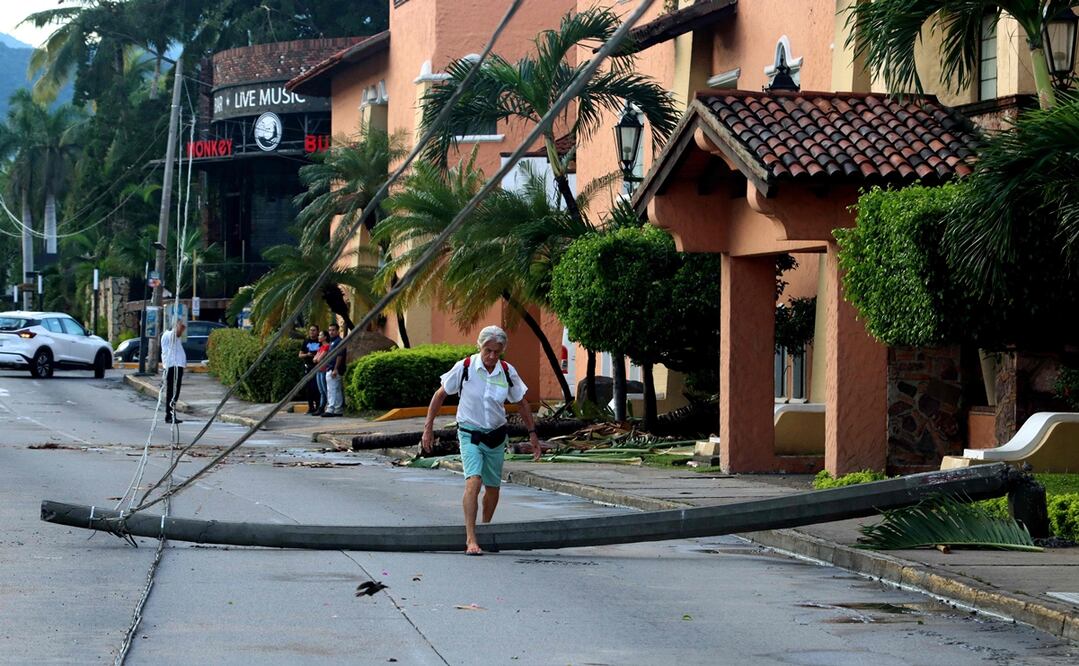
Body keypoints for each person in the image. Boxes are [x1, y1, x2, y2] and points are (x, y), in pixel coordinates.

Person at [422, 325, 541, 555]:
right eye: (488, 350)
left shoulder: (506, 371)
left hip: (496, 435)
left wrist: (532, 433)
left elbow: (522, 403)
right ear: (480, 346)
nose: (492, 356)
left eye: (497, 352)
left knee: (493, 490)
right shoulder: (465, 367)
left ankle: (485, 529)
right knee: (473, 481)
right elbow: (440, 395)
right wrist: (428, 428)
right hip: (470, 433)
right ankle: (471, 538)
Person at [160, 319, 187, 424]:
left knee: (174, 392)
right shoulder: (168, 335)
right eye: (179, 324)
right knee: (172, 392)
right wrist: (180, 326)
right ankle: (169, 415)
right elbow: (178, 333)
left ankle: (171, 414)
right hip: (172, 367)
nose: (182, 327)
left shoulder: (172, 336)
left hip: (176, 367)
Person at [321, 322, 346, 417]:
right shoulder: (332, 342)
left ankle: (330, 409)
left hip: (334, 369)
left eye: (333, 330)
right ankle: (338, 409)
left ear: (337, 331)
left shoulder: (339, 341)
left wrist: (335, 369)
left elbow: (340, 356)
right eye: (330, 330)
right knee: (337, 389)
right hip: (330, 368)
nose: (331, 332)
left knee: (331, 390)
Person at [298, 325, 322, 415]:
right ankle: (311, 407)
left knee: (317, 388)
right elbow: (300, 354)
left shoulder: (320, 342)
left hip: (317, 367)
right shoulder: (306, 341)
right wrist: (307, 355)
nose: (312, 332)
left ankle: (318, 406)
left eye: (314, 330)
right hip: (307, 367)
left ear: (317, 331)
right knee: (308, 388)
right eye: (311, 330)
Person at [312, 331, 330, 416]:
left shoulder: (327, 346)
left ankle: (327, 406)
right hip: (318, 370)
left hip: (323, 370)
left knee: (325, 390)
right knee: (321, 391)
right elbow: (314, 359)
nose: (319, 336)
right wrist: (317, 358)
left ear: (325, 337)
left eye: (320, 335)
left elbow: (318, 359)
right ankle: (321, 407)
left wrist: (317, 358)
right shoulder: (321, 347)